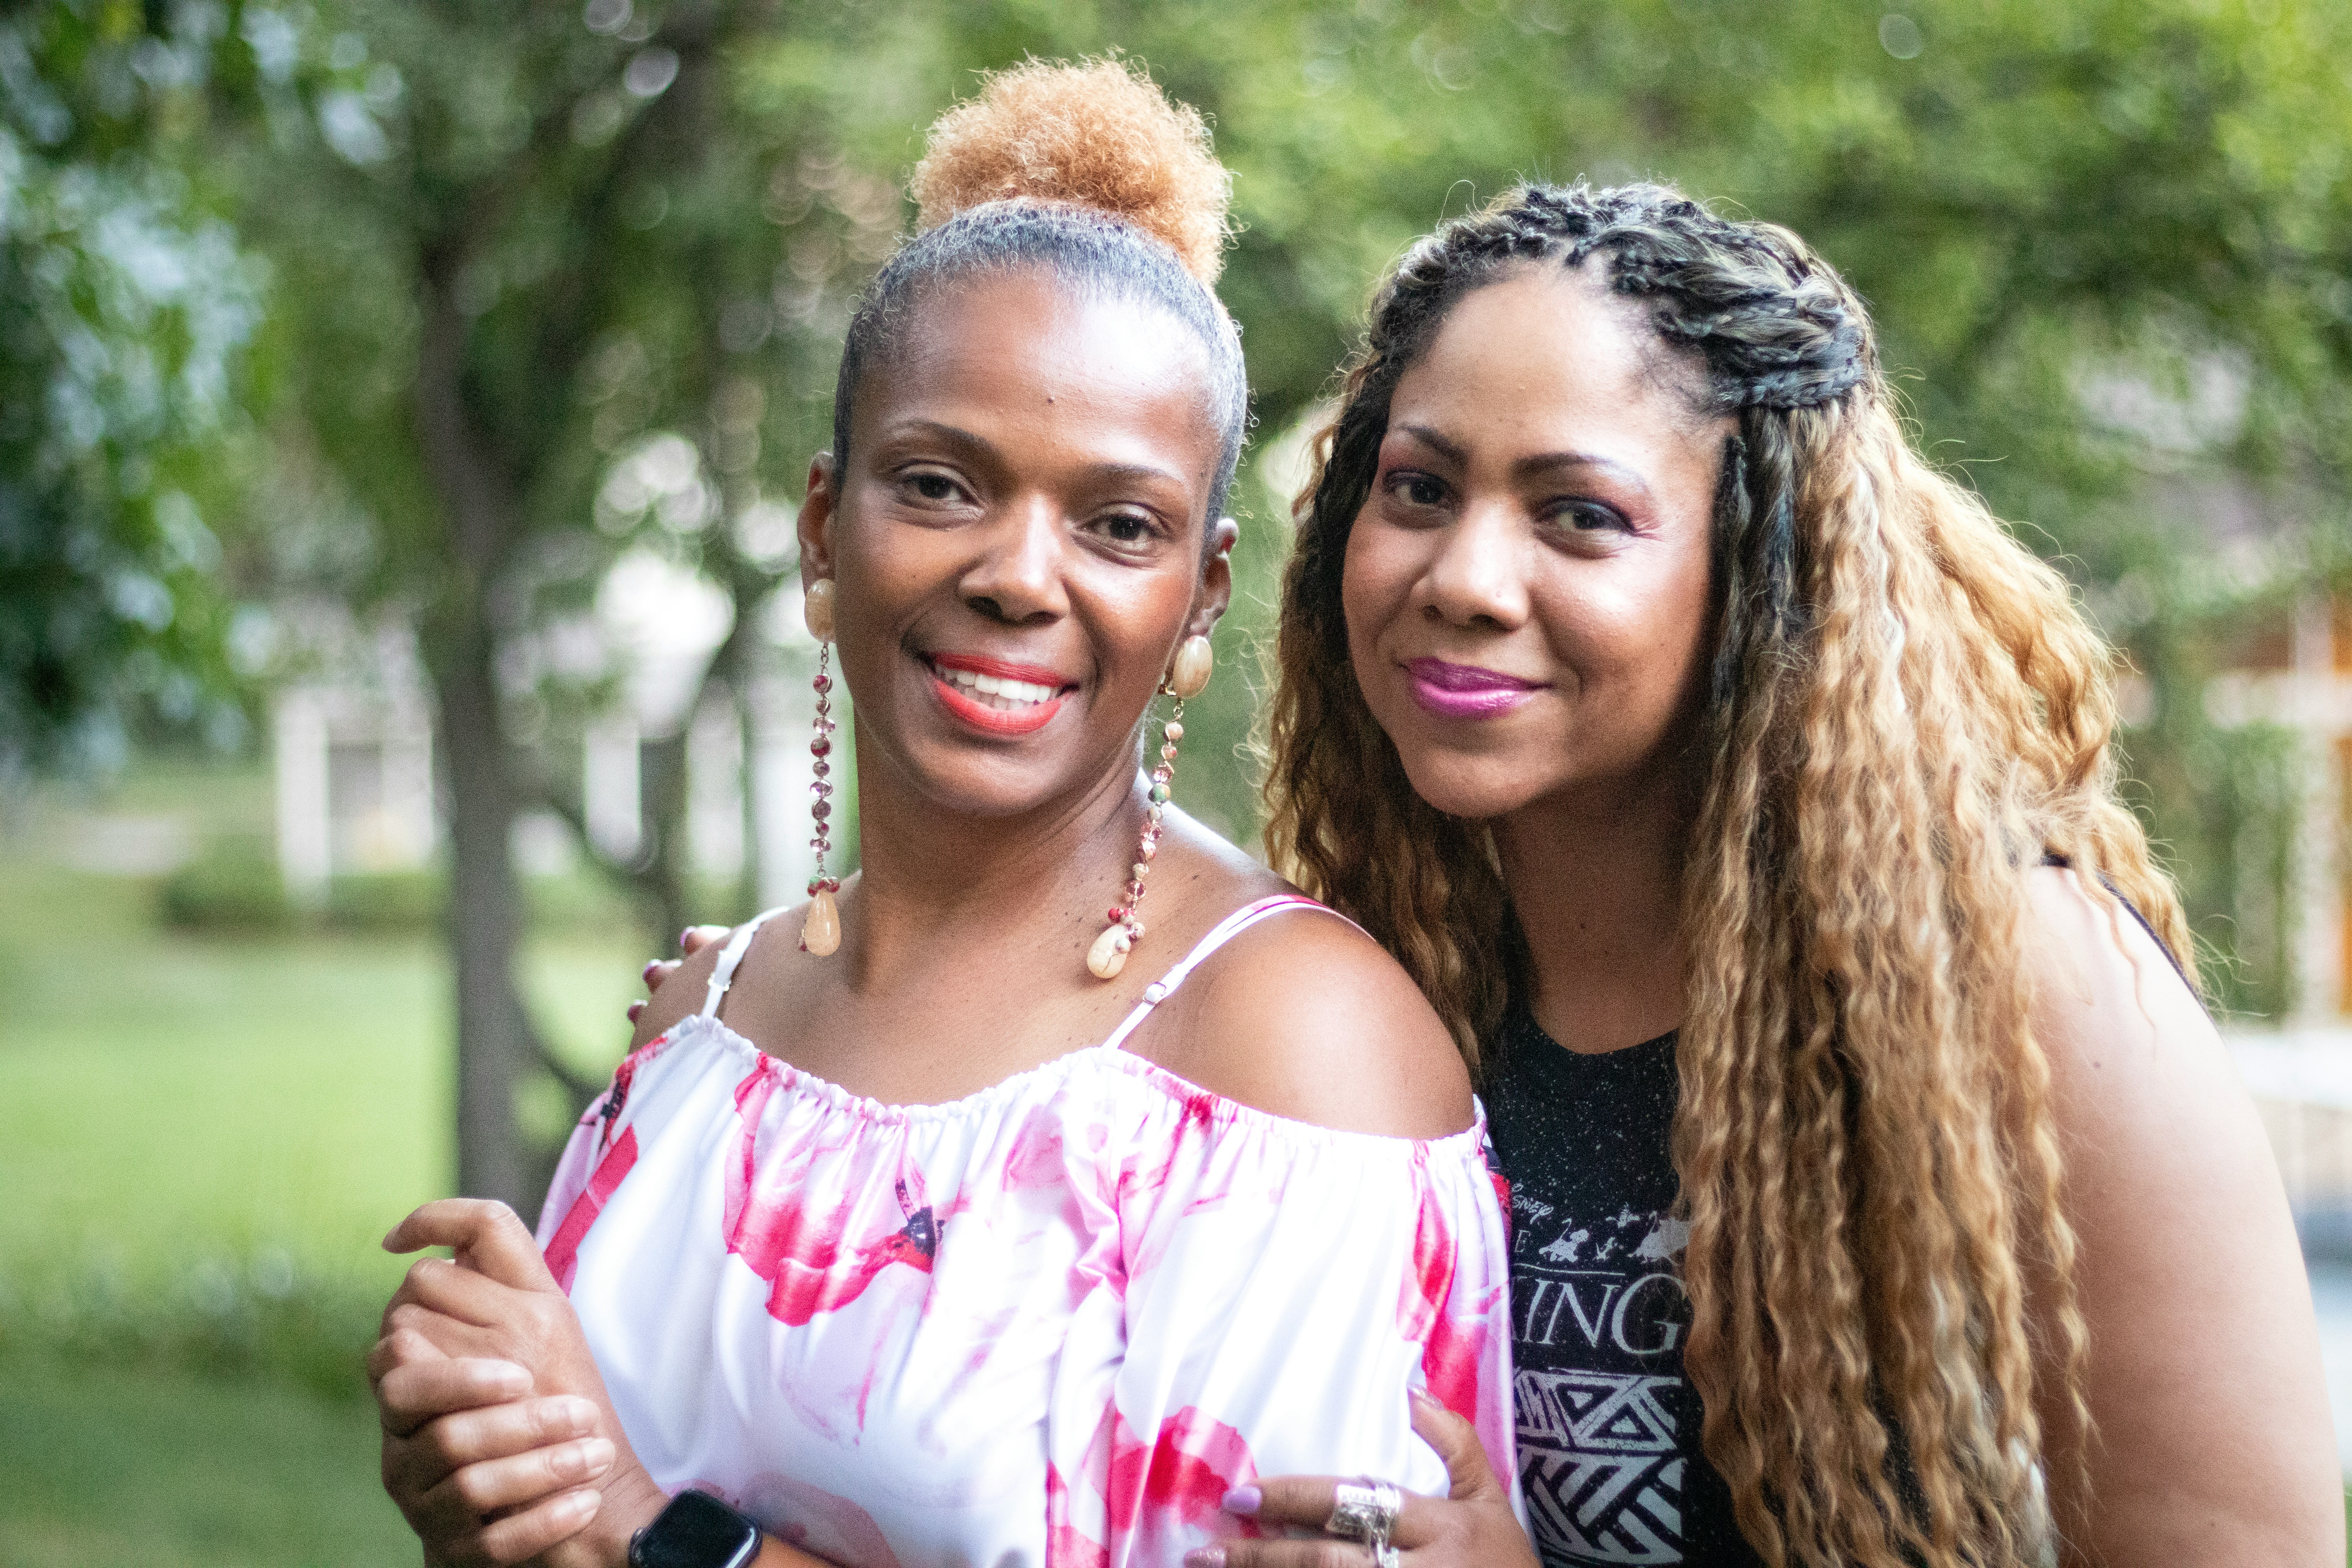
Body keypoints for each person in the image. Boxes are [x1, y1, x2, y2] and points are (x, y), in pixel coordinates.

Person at [366, 62, 1516, 1568]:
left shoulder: (1291, 1062)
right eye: (939, 484)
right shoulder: (699, 1030)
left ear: (1198, 598)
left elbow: (619, 1522)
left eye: (1117, 524)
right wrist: (485, 1482)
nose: (1021, 577)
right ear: (821, 531)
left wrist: (642, 1538)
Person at [1212, 183, 2340, 1568]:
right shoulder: (1363, 969)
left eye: (1579, 515)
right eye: (1420, 489)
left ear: (1762, 568)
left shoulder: (2020, 985)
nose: (1465, 576)